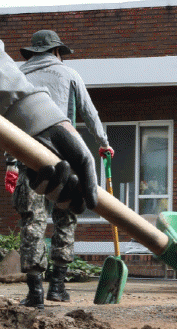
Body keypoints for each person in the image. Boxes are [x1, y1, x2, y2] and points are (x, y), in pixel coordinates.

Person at [5, 30, 109, 308]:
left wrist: (10, 162)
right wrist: (103, 143)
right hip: (65, 158)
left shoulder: (15, 74)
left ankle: (35, 292)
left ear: (33, 53)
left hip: (28, 157)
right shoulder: (69, 74)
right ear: (56, 51)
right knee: (66, 217)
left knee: (32, 222)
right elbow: (89, 113)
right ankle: (58, 287)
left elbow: (9, 121)